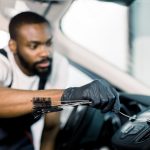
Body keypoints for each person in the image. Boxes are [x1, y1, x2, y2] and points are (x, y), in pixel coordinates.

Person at [0, 11, 120, 150]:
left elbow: (51, 126)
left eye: (48, 43)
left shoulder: (56, 64)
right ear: (13, 46)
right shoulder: (3, 63)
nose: (45, 52)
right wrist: (71, 95)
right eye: (34, 46)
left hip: (19, 139)